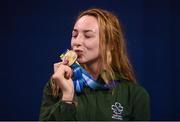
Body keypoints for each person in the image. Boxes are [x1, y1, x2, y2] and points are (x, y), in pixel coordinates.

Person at [39, 8, 150, 121]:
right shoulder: (57, 86)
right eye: (74, 35)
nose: (77, 42)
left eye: (87, 36)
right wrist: (67, 98)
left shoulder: (134, 95)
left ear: (110, 43)